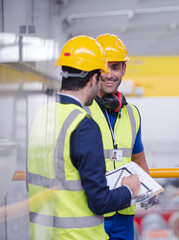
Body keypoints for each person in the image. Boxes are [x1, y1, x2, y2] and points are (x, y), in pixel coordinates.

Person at [26, 35, 141, 240]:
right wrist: (128, 189)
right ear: (93, 78)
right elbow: (100, 201)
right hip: (77, 235)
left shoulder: (40, 115)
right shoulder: (82, 124)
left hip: (44, 233)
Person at [85, 33, 154, 240]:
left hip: (124, 213)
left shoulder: (132, 114)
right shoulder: (82, 111)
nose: (109, 74)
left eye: (115, 67)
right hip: (94, 213)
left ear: (123, 69)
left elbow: (138, 158)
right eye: (103, 67)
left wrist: (148, 194)